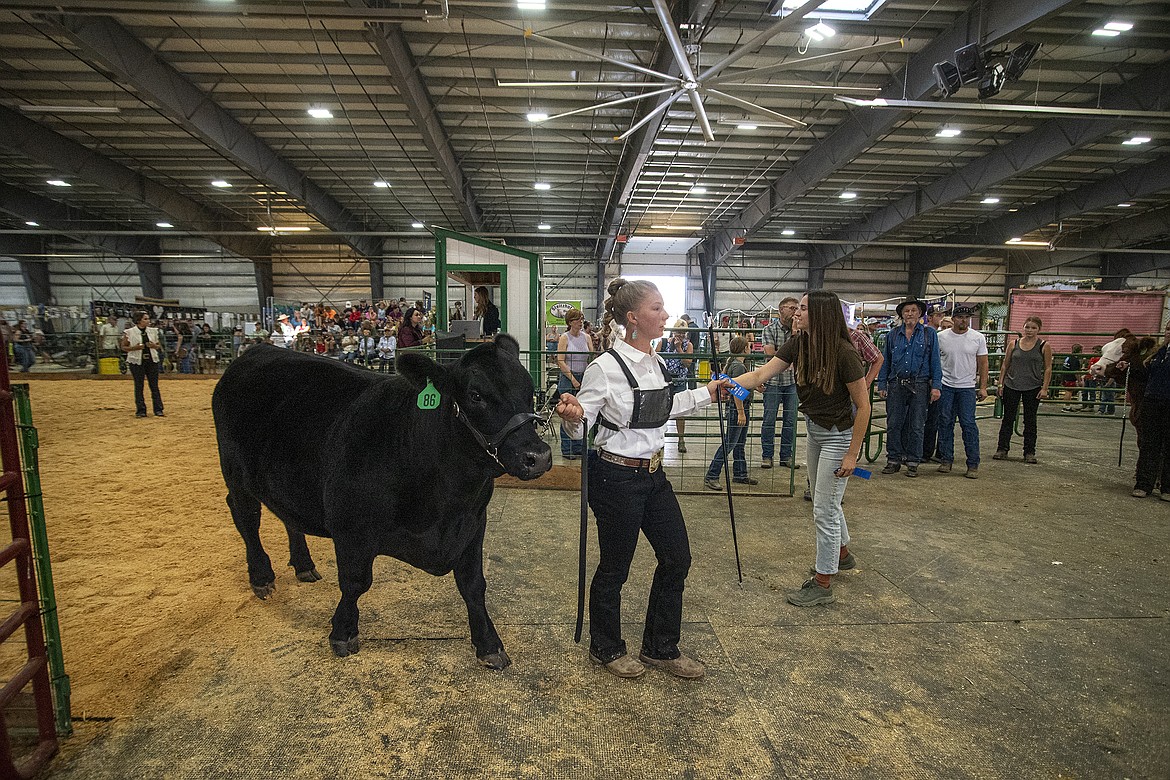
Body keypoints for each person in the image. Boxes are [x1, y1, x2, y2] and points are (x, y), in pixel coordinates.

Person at [555, 278, 725, 680]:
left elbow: (665, 407)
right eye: (657, 308)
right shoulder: (605, 368)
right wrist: (574, 418)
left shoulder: (657, 362)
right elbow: (584, 424)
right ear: (633, 318)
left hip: (654, 475)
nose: (665, 315)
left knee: (677, 557)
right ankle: (606, 646)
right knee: (616, 567)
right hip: (615, 477)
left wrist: (707, 392)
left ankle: (660, 647)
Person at [734, 290, 871, 607]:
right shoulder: (799, 344)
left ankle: (823, 583)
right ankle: (843, 553)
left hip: (838, 435)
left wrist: (852, 454)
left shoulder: (844, 353)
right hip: (814, 429)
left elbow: (863, 407)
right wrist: (730, 383)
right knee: (827, 499)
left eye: (803, 308)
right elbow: (761, 373)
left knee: (823, 507)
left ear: (821, 314)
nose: (796, 312)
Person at [876, 298, 941, 477]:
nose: (910, 314)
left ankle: (913, 461)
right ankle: (893, 460)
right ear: (902, 314)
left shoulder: (929, 334)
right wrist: (882, 383)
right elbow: (885, 361)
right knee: (894, 423)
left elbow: (935, 361)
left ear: (920, 313)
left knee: (917, 424)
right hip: (896, 383)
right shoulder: (892, 335)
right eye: (906, 311)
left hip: (920, 383)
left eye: (913, 310)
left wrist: (936, 386)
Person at [935, 305, 989, 479]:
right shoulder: (940, 337)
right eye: (960, 317)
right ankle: (946, 459)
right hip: (946, 385)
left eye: (966, 317)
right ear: (953, 319)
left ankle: (973, 463)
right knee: (945, 423)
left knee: (968, 424)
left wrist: (982, 386)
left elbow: (983, 363)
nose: (963, 320)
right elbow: (935, 362)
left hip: (966, 387)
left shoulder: (978, 338)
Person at [1119, 321, 1170, 499]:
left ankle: (1167, 488)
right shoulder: (1158, 353)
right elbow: (1148, 376)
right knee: (1149, 444)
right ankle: (1143, 484)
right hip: (1152, 402)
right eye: (1168, 329)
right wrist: (1130, 368)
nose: (1169, 332)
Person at [993, 315, 1053, 464]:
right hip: (1012, 385)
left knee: (1030, 420)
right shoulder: (1014, 344)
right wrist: (1000, 384)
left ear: (1039, 329)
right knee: (1008, 418)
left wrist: (1045, 388)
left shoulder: (1044, 346)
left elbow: (1047, 368)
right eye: (1027, 327)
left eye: (1033, 328)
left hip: (1033, 387)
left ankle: (1029, 452)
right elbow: (1005, 365)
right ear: (1023, 327)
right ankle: (1002, 449)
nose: (1030, 330)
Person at [703, 336, 758, 490]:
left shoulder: (734, 364)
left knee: (738, 442)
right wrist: (741, 411)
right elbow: (737, 391)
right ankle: (712, 475)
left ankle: (740, 473)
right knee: (731, 443)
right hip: (739, 407)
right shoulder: (739, 366)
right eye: (748, 346)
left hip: (737, 408)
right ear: (745, 349)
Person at [759, 297, 799, 469]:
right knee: (769, 419)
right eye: (791, 308)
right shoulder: (769, 329)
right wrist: (789, 358)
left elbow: (801, 352)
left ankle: (786, 456)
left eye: (796, 308)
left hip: (792, 382)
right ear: (781, 309)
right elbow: (770, 354)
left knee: (790, 420)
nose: (795, 311)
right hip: (773, 380)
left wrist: (795, 334)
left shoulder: (799, 331)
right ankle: (767, 456)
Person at [555, 308, 593, 460]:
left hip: (584, 376)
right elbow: (560, 360)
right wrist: (573, 379)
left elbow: (591, 357)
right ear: (570, 322)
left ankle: (579, 447)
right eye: (577, 319)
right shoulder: (565, 338)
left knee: (581, 412)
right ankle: (567, 449)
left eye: (581, 319)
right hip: (568, 377)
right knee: (567, 413)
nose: (580, 322)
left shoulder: (586, 337)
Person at [657, 320, 694, 454]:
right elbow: (655, 358)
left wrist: (679, 349)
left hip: (680, 381)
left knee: (681, 412)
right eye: (678, 331)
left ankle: (681, 439)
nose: (681, 334)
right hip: (665, 381)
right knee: (662, 411)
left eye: (683, 332)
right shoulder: (664, 342)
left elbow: (687, 363)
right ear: (673, 331)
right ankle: (660, 439)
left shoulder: (688, 345)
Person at [120, 311, 165, 418]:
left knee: (154, 385)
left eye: (148, 319)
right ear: (139, 320)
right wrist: (134, 348)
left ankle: (158, 409)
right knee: (139, 385)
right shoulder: (130, 332)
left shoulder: (153, 331)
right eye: (145, 319)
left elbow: (158, 346)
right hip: (136, 361)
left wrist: (153, 345)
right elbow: (123, 347)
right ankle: (141, 410)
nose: (148, 321)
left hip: (151, 360)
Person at [1060, 344, 1084, 412]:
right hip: (1070, 377)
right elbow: (1076, 371)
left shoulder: (1068, 357)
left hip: (1065, 375)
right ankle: (1066, 407)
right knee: (1069, 391)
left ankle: (1065, 406)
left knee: (1067, 391)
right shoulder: (1075, 360)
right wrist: (1079, 381)